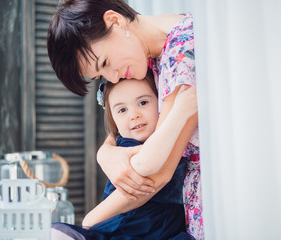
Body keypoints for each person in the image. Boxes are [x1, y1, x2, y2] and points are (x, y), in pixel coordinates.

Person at [47, 0, 203, 238]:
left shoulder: (183, 52)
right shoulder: (149, 52)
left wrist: (89, 223)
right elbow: (121, 128)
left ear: (115, 21)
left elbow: (155, 175)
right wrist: (105, 152)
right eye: (101, 74)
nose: (112, 77)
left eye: (105, 63)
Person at [51, 72, 197, 239]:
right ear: (114, 122)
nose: (134, 115)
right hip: (130, 224)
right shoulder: (126, 146)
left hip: (164, 226)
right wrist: (181, 112)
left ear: (160, 104)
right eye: (122, 110)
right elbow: (146, 166)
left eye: (143, 102)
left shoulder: (165, 139)